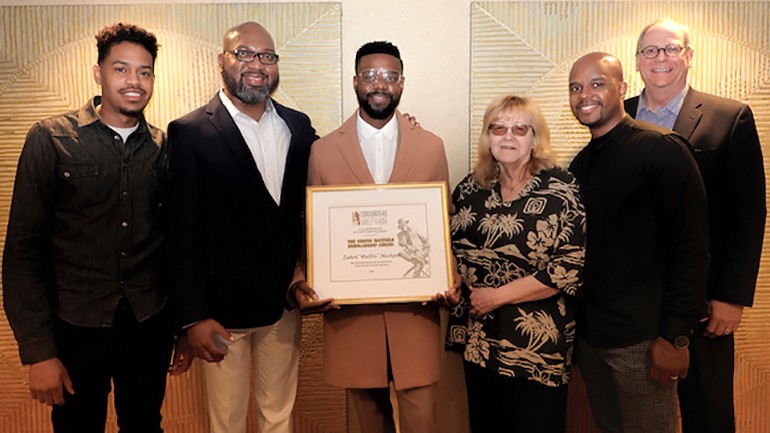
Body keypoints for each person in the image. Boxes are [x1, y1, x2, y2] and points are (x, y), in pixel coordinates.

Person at [2, 23, 183, 433]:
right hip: (75, 324)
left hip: (148, 322)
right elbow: (23, 251)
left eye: (145, 71)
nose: (134, 81)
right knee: (77, 426)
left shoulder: (165, 148)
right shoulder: (51, 139)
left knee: (144, 425)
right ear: (99, 72)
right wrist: (38, 352)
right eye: (121, 69)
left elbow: (177, 243)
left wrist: (184, 326)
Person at [289, 41, 458, 433]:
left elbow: (440, 227)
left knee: (422, 422)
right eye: (370, 76)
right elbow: (312, 231)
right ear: (355, 82)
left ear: (401, 83)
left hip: (415, 312)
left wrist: (449, 277)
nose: (379, 84)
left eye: (389, 76)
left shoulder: (431, 146)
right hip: (352, 315)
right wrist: (304, 280)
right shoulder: (324, 150)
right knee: (365, 423)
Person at [165, 21, 318, 433]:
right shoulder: (189, 132)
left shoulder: (299, 126)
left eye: (266, 56)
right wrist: (193, 316)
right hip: (220, 314)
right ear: (222, 61)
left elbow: (317, 197)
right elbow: (182, 232)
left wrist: (396, 127)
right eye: (244, 54)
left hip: (282, 305)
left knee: (278, 416)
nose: (257, 65)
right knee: (227, 421)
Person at [624, 19, 766, 433]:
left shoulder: (729, 117)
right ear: (637, 62)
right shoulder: (620, 115)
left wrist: (731, 297)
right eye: (650, 51)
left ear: (688, 56)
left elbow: (748, 214)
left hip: (705, 300)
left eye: (670, 49)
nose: (660, 58)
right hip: (635, 299)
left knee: (708, 410)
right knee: (641, 413)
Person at [567, 52, 709, 433]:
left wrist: (676, 336)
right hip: (593, 340)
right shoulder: (579, 165)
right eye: (575, 87)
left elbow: (692, 247)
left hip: (645, 342)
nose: (585, 95)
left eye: (597, 84)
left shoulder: (661, 149)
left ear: (622, 89)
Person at [445, 94, 586, 433]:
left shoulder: (561, 189)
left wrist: (497, 296)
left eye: (520, 129)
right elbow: (448, 247)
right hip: (479, 341)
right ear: (487, 136)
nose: (508, 136)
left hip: (537, 345)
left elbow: (567, 267)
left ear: (535, 138)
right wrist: (448, 282)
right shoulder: (470, 188)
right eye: (499, 128)